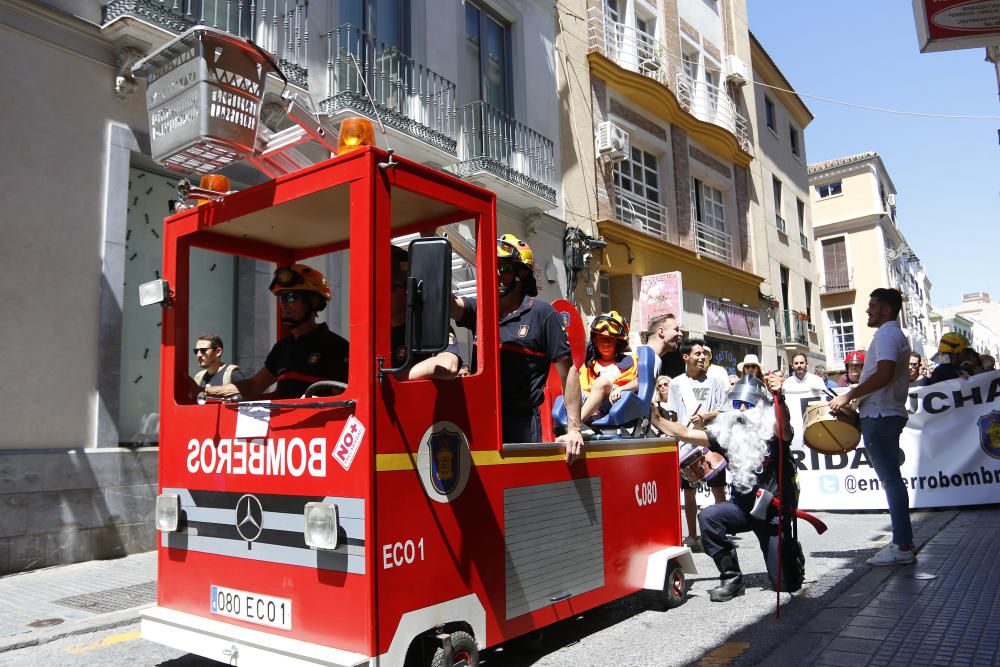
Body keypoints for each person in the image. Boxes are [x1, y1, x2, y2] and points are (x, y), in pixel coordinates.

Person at [653, 373, 799, 602]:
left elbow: (785, 426)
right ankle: (731, 579)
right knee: (709, 517)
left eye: (748, 405)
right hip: (742, 509)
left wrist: (779, 398)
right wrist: (656, 419)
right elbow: (686, 433)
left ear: (761, 407)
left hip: (772, 515)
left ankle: (791, 551)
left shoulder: (773, 431)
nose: (742, 410)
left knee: (786, 584)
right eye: (737, 404)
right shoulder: (726, 434)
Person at [452, 234, 584, 461]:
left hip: (520, 426)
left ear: (522, 274)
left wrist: (574, 429)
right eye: (491, 266)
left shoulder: (543, 314)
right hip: (480, 421)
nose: (495, 273)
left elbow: (569, 372)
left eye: (503, 267)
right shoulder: (480, 310)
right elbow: (450, 305)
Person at [829, 288, 913, 566]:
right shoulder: (891, 334)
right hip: (884, 415)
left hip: (881, 416)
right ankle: (902, 542)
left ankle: (902, 546)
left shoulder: (888, 334)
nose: (868, 311)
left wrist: (849, 395)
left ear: (886, 310)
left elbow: (885, 373)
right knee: (892, 479)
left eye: (873, 306)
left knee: (890, 480)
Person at [204, 264, 350, 400]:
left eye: (291, 297)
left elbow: (344, 404)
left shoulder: (336, 347)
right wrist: (204, 392)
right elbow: (253, 386)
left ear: (313, 302)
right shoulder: (282, 348)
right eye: (282, 298)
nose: (284, 304)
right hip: (285, 427)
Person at [666, 338, 729, 552]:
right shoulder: (676, 383)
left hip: (711, 440)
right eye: (698, 354)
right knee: (688, 491)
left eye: (704, 354)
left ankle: (721, 533)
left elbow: (724, 410)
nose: (702, 357)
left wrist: (706, 415)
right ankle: (692, 536)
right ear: (686, 357)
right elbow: (673, 414)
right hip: (687, 443)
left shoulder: (716, 382)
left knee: (718, 489)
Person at [389, 246, 461, 380]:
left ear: (408, 290)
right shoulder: (374, 337)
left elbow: (448, 364)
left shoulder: (431, 328)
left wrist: (395, 379)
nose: (378, 295)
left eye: (388, 287)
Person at [578, 311, 639, 422]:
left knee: (602, 382)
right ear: (595, 341)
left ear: (618, 342)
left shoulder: (631, 362)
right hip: (587, 405)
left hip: (616, 404)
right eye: (602, 339)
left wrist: (620, 389)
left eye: (610, 339)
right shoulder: (588, 366)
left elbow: (640, 382)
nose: (606, 343)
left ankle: (575, 425)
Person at [643, 312, 683, 378]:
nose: (680, 334)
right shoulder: (649, 358)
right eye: (676, 329)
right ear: (661, 332)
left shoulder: (649, 356)